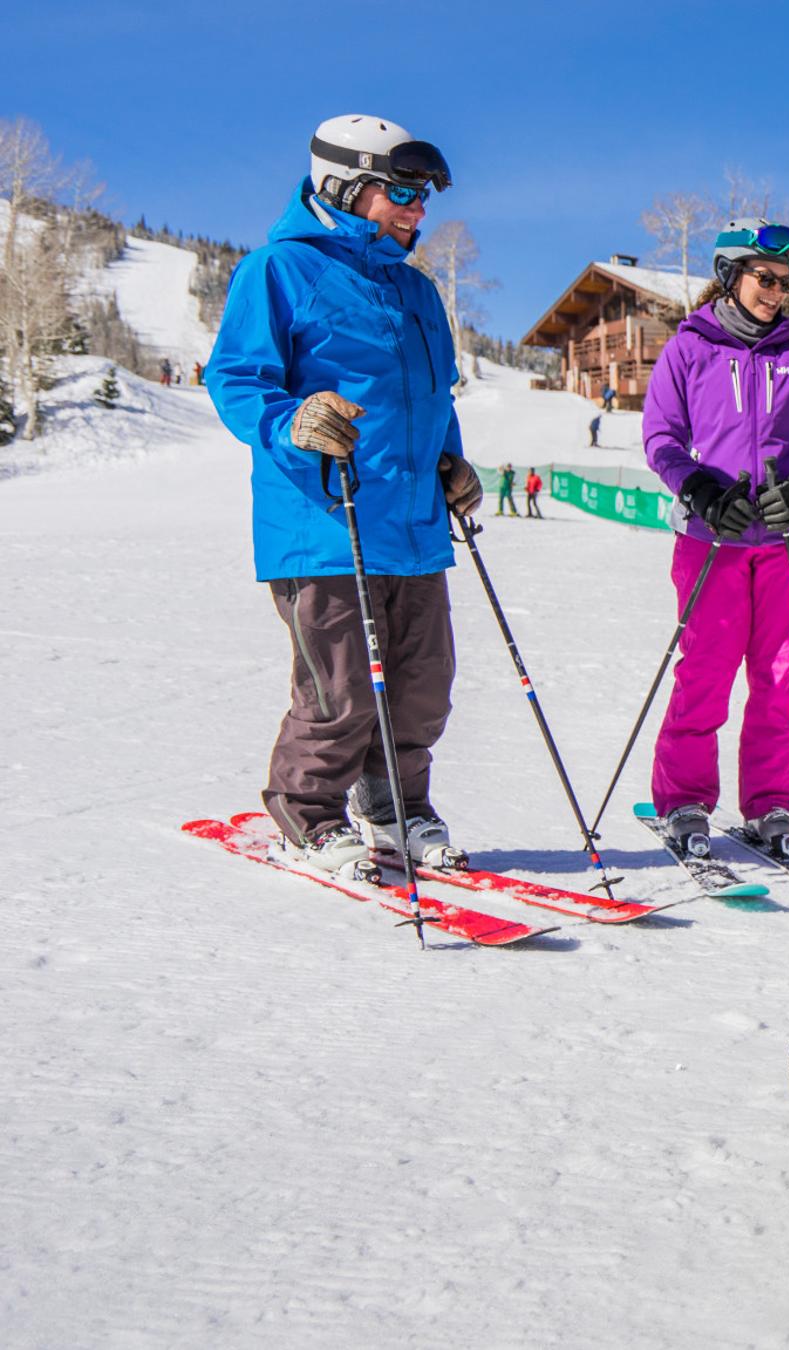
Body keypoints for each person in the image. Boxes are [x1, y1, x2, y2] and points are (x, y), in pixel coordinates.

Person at [205, 114, 479, 877]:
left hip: (416, 527)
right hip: (325, 520)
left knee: (423, 692)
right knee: (341, 692)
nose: (417, 211)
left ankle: (396, 808)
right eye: (402, 192)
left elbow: (430, 395)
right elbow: (234, 378)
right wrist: (293, 420)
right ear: (344, 185)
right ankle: (311, 812)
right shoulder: (278, 270)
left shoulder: (419, 290)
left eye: (422, 197)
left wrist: (452, 464)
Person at [643, 218, 789, 859]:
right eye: (765, 277)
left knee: (779, 678)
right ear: (730, 275)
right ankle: (685, 801)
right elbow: (661, 439)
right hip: (713, 541)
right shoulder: (688, 350)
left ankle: (773, 804)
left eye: (786, 282)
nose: (777, 291)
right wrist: (698, 490)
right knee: (704, 674)